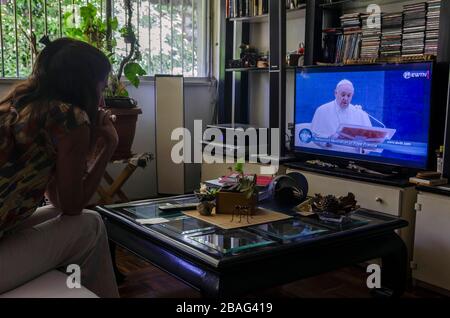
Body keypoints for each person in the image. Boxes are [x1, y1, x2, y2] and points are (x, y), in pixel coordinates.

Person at [0, 38, 119, 297]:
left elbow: (60, 202)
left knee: (71, 217)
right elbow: (74, 206)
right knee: (91, 224)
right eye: (102, 86)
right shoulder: (70, 118)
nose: (102, 97)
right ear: (87, 86)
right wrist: (109, 144)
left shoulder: (19, 105)